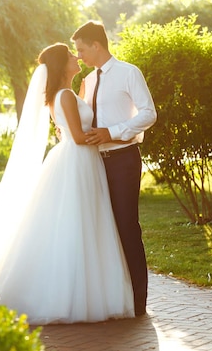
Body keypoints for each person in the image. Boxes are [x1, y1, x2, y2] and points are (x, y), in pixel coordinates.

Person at [0, 43, 134, 324]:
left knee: (79, 224)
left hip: (80, 160)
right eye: (72, 55)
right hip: (78, 160)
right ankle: (70, 297)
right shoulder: (65, 96)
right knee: (77, 225)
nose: (76, 57)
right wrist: (117, 135)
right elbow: (80, 138)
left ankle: (79, 293)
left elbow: (69, 130)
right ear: (62, 63)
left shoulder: (67, 94)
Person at [72, 20, 157, 317]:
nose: (79, 55)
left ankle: (137, 304)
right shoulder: (89, 81)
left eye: (82, 49)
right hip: (93, 165)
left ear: (97, 45)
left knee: (127, 228)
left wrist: (113, 131)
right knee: (102, 231)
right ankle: (112, 299)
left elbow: (149, 113)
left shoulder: (128, 73)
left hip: (123, 160)